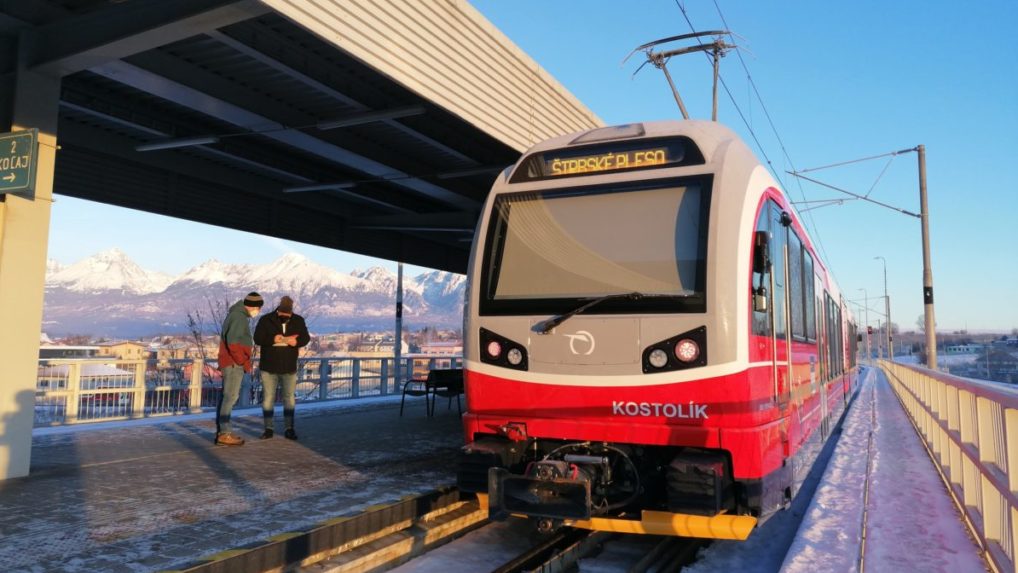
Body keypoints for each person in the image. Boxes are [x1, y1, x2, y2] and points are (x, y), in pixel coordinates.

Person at [253, 295, 310, 440]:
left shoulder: (298, 320)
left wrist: (295, 342)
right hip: (269, 366)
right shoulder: (266, 320)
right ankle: (268, 428)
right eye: (282, 315)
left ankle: (289, 428)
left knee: (289, 399)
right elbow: (257, 338)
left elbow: (306, 338)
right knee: (268, 398)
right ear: (278, 310)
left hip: (289, 365)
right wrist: (272, 339)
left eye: (287, 315)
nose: (285, 317)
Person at [215, 291, 263, 446]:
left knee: (227, 397)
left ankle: (223, 431)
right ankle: (224, 433)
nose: (258, 312)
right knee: (230, 397)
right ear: (253, 306)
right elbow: (233, 342)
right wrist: (242, 360)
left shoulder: (236, 315)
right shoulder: (239, 317)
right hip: (233, 363)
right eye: (259, 308)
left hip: (231, 362)